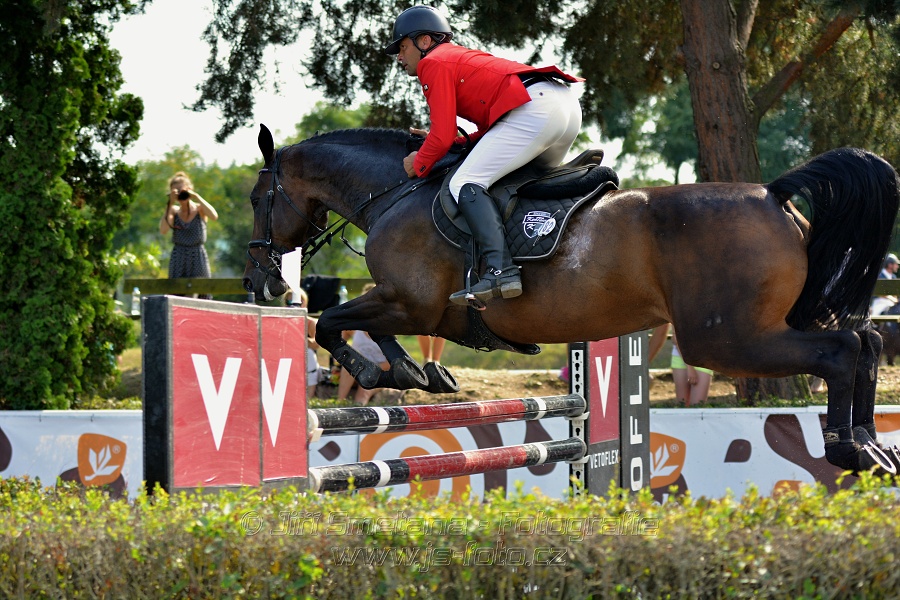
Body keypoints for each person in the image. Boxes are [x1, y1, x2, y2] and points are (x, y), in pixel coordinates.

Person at [385, 5, 583, 305]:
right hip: (563, 106)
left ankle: (501, 270)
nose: (400, 57)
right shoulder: (455, 57)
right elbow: (476, 133)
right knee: (511, 184)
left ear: (424, 42)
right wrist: (448, 143)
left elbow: (442, 135)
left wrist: (420, 162)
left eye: (402, 47)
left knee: (464, 183)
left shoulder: (433, 62)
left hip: (536, 109)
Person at [159, 171, 218, 298]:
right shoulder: (173, 211)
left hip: (198, 254)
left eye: (182, 189)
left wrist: (196, 196)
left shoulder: (199, 209)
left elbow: (214, 216)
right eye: (176, 191)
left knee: (204, 292)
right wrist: (170, 203)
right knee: (176, 293)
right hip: (178, 256)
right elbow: (163, 230)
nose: (180, 193)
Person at [670, 331, 712, 407]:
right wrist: (690, 367)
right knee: (682, 405)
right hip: (680, 358)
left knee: (698, 406)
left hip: (705, 358)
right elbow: (676, 338)